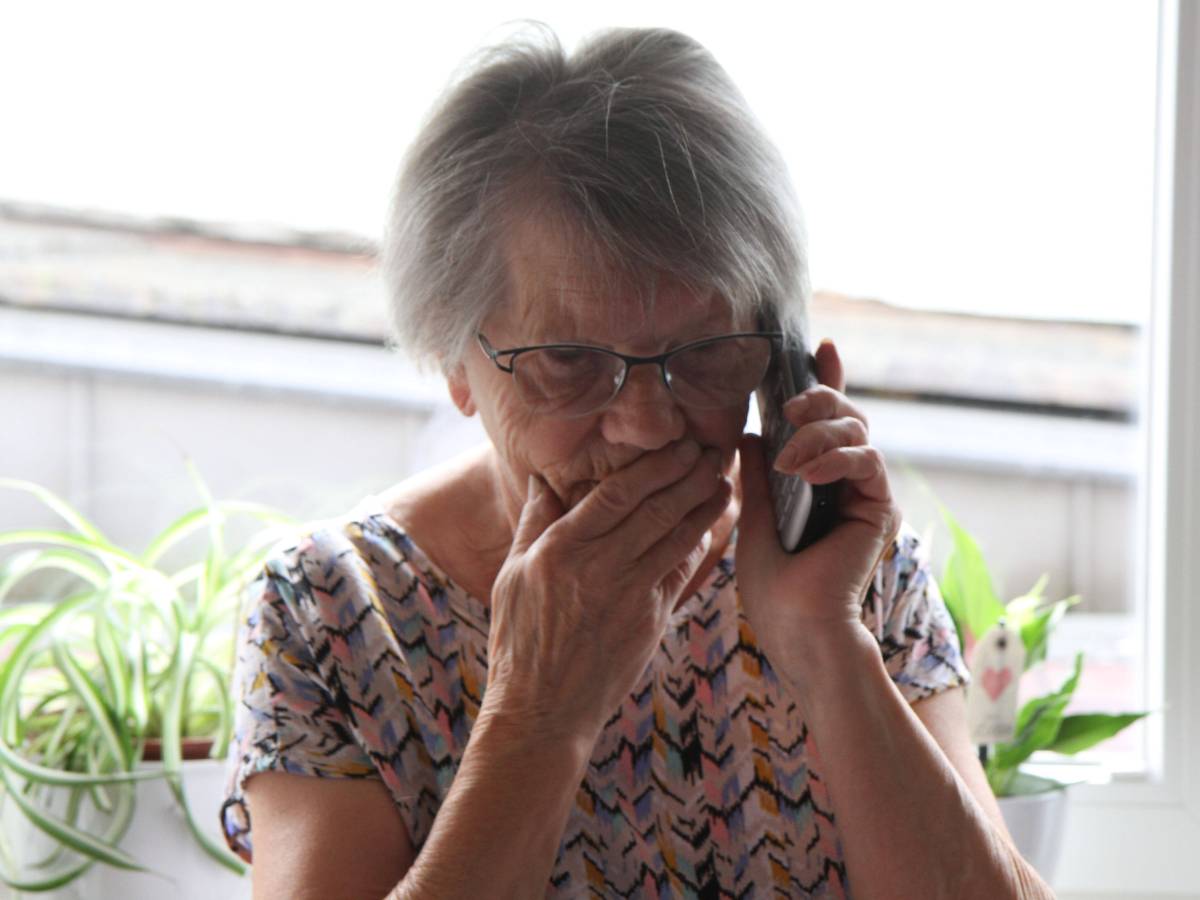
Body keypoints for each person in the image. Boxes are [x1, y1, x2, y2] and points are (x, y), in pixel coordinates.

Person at [219, 25, 1053, 899]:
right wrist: (539, 717)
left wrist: (824, 643)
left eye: (705, 352)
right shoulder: (331, 611)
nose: (651, 425)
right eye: (571, 362)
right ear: (456, 364)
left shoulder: (849, 570)